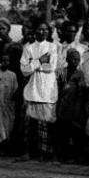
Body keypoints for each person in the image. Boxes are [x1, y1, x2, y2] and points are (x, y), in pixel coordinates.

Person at [20, 21, 59, 159]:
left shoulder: (53, 47)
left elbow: (51, 67)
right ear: (35, 31)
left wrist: (33, 64)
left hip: (47, 90)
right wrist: (40, 61)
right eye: (39, 29)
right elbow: (24, 71)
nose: (42, 32)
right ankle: (30, 152)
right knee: (31, 125)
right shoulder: (28, 47)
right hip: (33, 89)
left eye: (45, 30)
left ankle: (49, 154)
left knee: (49, 124)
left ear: (49, 32)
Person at [0, 52, 18, 154]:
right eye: (4, 60)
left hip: (9, 106)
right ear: (0, 62)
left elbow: (15, 90)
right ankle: (2, 144)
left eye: (7, 60)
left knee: (8, 125)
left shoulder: (12, 75)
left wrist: (13, 97)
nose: (5, 62)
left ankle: (2, 146)